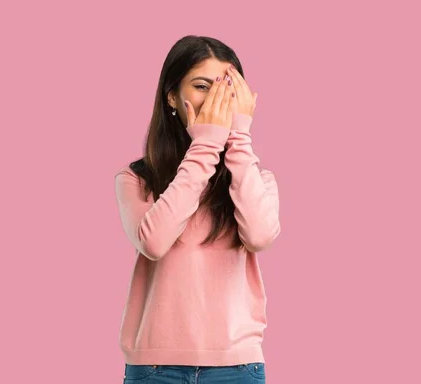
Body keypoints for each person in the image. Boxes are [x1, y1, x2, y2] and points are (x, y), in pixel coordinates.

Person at [114, 35, 280, 383]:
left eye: (228, 90)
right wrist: (206, 144)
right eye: (203, 86)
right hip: (155, 368)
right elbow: (154, 242)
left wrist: (237, 141)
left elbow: (261, 236)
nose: (216, 101)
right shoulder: (137, 179)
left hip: (238, 368)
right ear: (172, 95)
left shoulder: (256, 177)